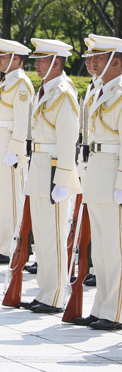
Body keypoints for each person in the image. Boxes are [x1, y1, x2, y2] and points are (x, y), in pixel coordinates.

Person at [20, 38, 81, 313]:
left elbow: (69, 140)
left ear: (56, 62)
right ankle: (45, 290)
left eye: (42, 60)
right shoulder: (46, 89)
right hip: (40, 166)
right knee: (42, 235)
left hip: (54, 170)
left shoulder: (63, 92)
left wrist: (63, 179)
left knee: (53, 234)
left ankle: (55, 295)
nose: (37, 64)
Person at [75, 34, 122, 330]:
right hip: (95, 174)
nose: (92, 63)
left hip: (113, 176)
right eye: (91, 58)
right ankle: (102, 305)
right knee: (101, 250)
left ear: (116, 62)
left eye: (99, 58)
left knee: (115, 248)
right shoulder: (96, 91)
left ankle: (115, 310)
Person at [0, 38, 33, 264]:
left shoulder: (20, 83)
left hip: (9, 148)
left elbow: (22, 121)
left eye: (3, 56)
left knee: (12, 200)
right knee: (2, 200)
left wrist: (15, 149)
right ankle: (4, 245)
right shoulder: (7, 81)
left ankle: (13, 245)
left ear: (16, 59)